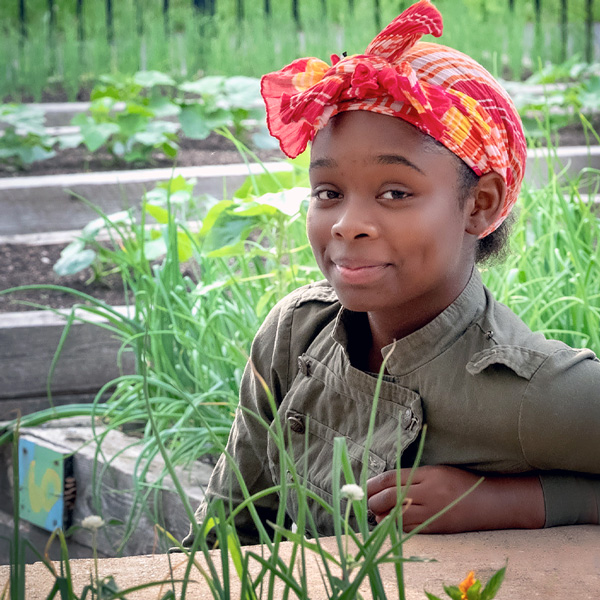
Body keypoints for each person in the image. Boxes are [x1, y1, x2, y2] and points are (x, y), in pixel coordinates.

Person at [185, 0, 600, 547]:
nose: (348, 225)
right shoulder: (293, 334)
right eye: (328, 193)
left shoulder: (529, 392)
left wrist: (509, 502)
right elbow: (226, 537)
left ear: (479, 204)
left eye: (395, 193)